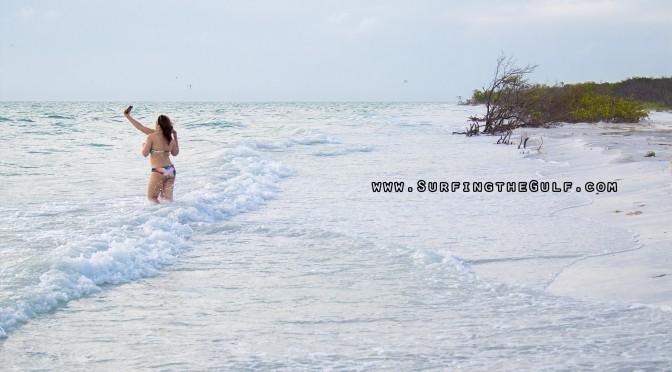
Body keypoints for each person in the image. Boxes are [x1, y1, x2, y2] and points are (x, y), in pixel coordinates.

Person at [123, 106, 179, 203]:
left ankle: (158, 218)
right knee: (167, 201)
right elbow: (175, 153)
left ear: (158, 125)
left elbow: (144, 154)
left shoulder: (151, 137)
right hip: (170, 170)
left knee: (152, 199)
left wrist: (143, 146)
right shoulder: (169, 137)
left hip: (158, 171)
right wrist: (175, 137)